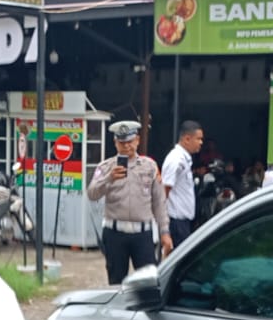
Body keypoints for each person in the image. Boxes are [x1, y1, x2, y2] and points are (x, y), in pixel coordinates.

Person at [86, 120, 170, 285]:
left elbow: (159, 203)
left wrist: (165, 232)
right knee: (116, 282)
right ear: (115, 142)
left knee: (149, 282)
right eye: (122, 142)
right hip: (114, 234)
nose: (126, 146)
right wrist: (109, 178)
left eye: (130, 142)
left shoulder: (150, 166)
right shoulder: (106, 167)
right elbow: (92, 193)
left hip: (142, 235)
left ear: (137, 140)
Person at [160, 120, 203, 251]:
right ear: (187, 139)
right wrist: (164, 227)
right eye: (198, 139)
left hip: (183, 222)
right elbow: (164, 191)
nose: (201, 142)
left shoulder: (184, 159)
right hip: (176, 222)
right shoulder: (176, 159)